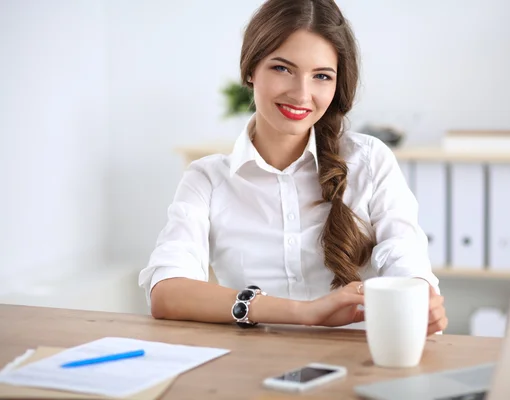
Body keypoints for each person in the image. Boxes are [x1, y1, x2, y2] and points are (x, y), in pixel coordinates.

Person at [139, 0, 447, 335]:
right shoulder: (207, 179)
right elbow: (167, 292)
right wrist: (305, 313)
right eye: (282, 69)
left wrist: (418, 294)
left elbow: (404, 256)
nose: (302, 94)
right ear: (250, 70)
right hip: (252, 375)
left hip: (359, 368)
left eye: (321, 76)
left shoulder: (369, 161)